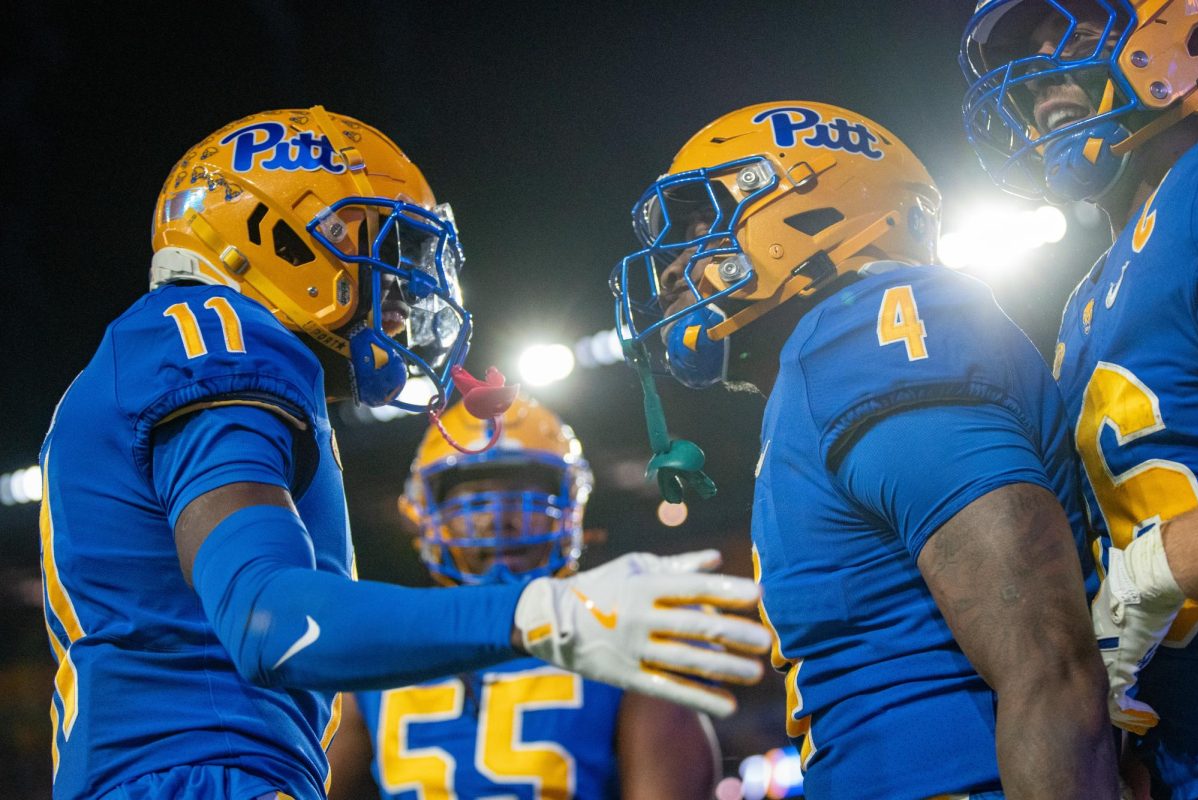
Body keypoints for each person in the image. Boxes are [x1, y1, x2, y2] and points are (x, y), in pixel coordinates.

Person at [36, 106, 770, 800]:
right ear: (280, 236)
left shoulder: (185, 350)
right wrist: (549, 615)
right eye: (384, 246)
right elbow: (273, 620)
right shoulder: (218, 340)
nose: (403, 290)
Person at [608, 101, 1117, 799]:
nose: (674, 269)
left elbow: (1049, 664)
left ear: (816, 204)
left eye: (703, 223)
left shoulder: (874, 335)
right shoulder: (820, 364)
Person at [962, 2, 1198, 795]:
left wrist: (1154, 573)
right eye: (1028, 57)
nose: (1042, 77)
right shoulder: (1085, 296)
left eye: (1072, 34)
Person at [327, 396, 719, 799]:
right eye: (476, 503)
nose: (501, 523)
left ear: (571, 512)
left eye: (523, 499)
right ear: (426, 519)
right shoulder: (380, 653)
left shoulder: (626, 639)